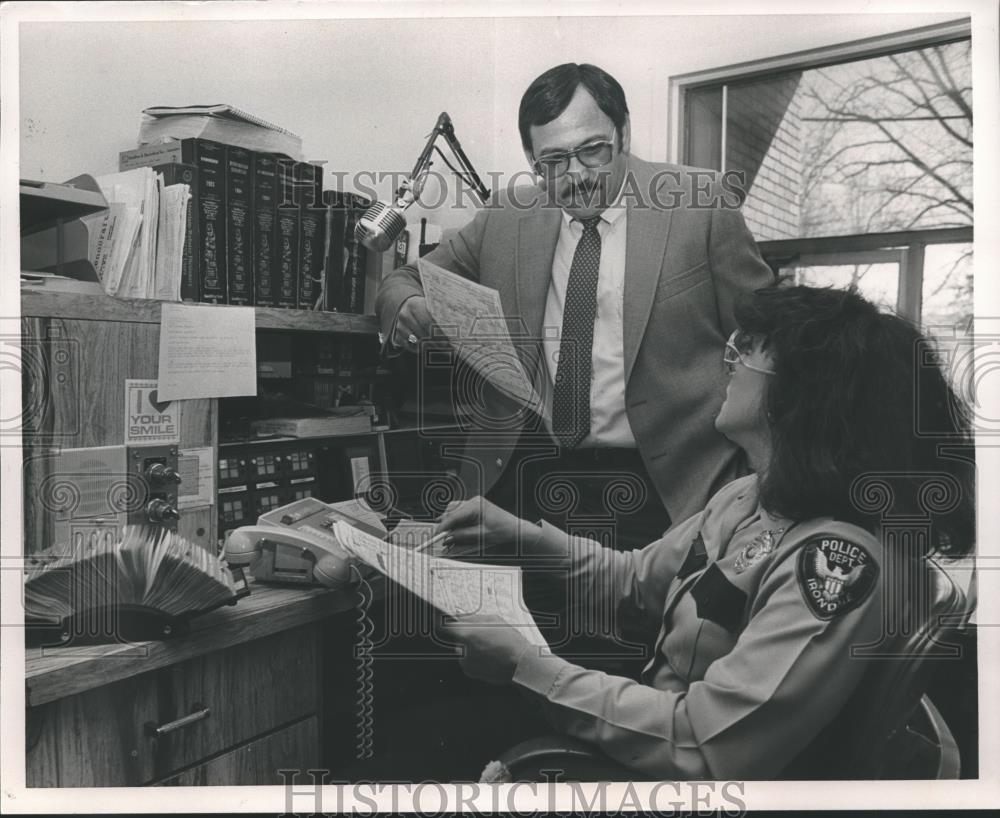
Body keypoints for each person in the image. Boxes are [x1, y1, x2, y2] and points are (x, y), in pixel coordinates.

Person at [432, 285, 976, 780]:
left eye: (750, 351)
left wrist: (527, 668)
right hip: (658, 738)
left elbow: (706, 742)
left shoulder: (839, 560)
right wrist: (522, 537)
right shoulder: (750, 498)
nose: (729, 365)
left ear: (804, 394)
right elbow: (637, 582)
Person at [376, 63, 774, 553]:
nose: (576, 175)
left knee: (638, 626)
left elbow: (769, 345)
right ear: (530, 157)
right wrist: (409, 304)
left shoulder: (701, 205)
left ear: (623, 133)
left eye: (593, 151)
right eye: (554, 161)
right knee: (511, 628)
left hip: (668, 487)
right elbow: (403, 279)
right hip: (525, 475)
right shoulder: (506, 215)